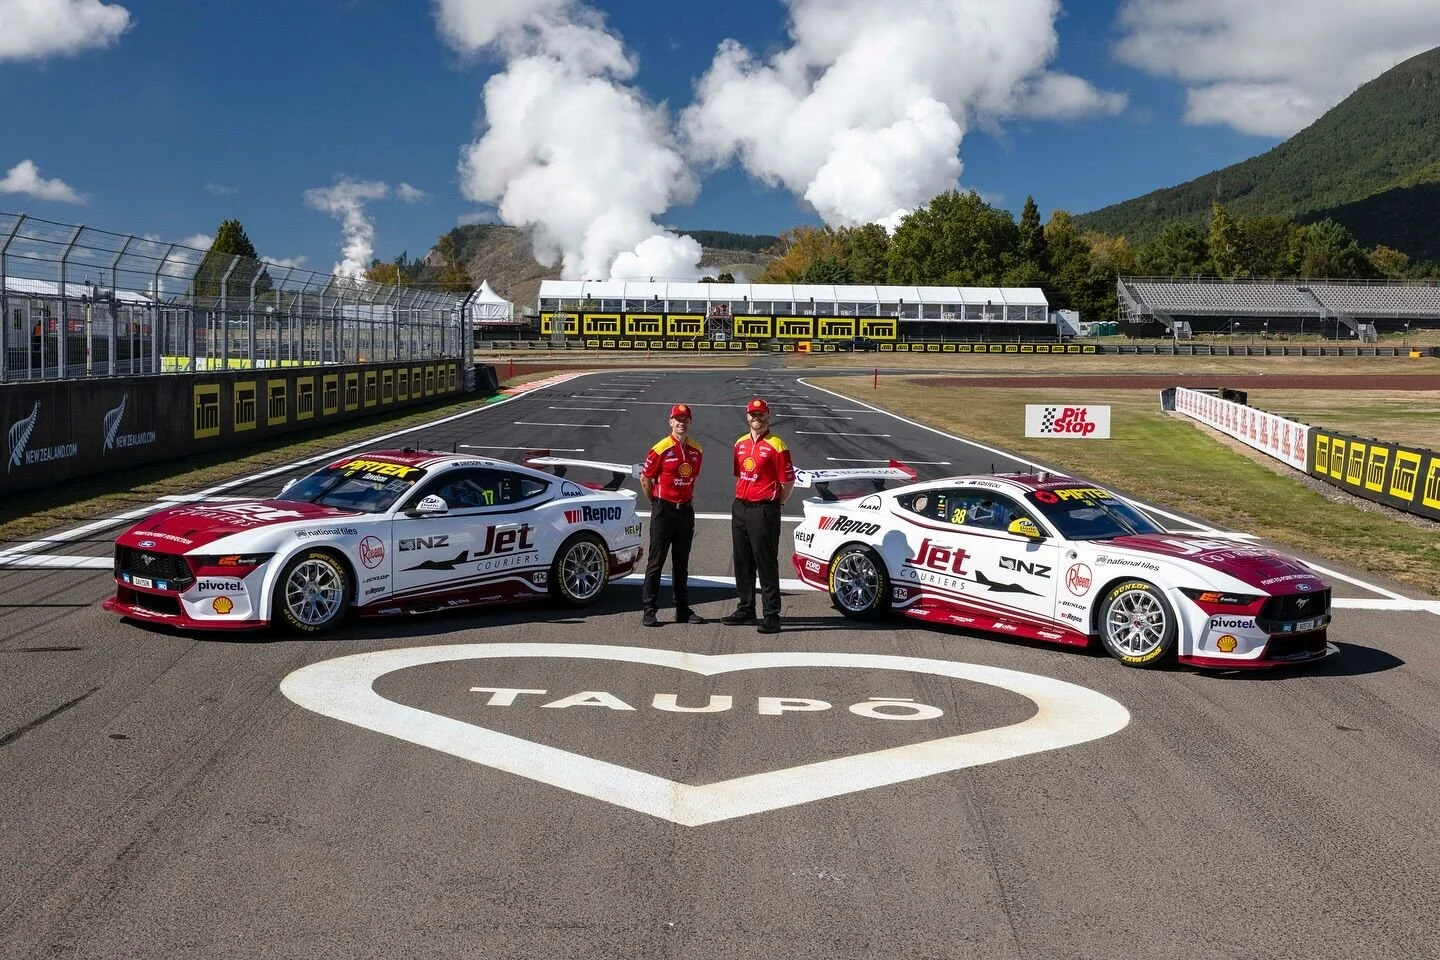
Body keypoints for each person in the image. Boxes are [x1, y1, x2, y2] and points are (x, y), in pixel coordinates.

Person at [725, 397, 795, 634]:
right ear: (747, 417)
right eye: (753, 415)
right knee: (742, 561)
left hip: (764, 508)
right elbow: (739, 473)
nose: (757, 418)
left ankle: (771, 614)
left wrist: (774, 503)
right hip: (741, 507)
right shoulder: (740, 443)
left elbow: (787, 482)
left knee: (765, 562)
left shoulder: (777, 445)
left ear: (768, 416)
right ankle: (746, 608)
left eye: (761, 414)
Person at [639, 403, 704, 627]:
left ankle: (682, 610)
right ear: (670, 422)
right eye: (677, 419)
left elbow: (693, 478)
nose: (681, 422)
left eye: (685, 419)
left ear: (690, 422)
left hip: (685, 510)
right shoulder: (660, 448)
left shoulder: (697, 450)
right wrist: (656, 503)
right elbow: (645, 479)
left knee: (681, 563)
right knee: (656, 562)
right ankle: (649, 609)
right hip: (663, 510)